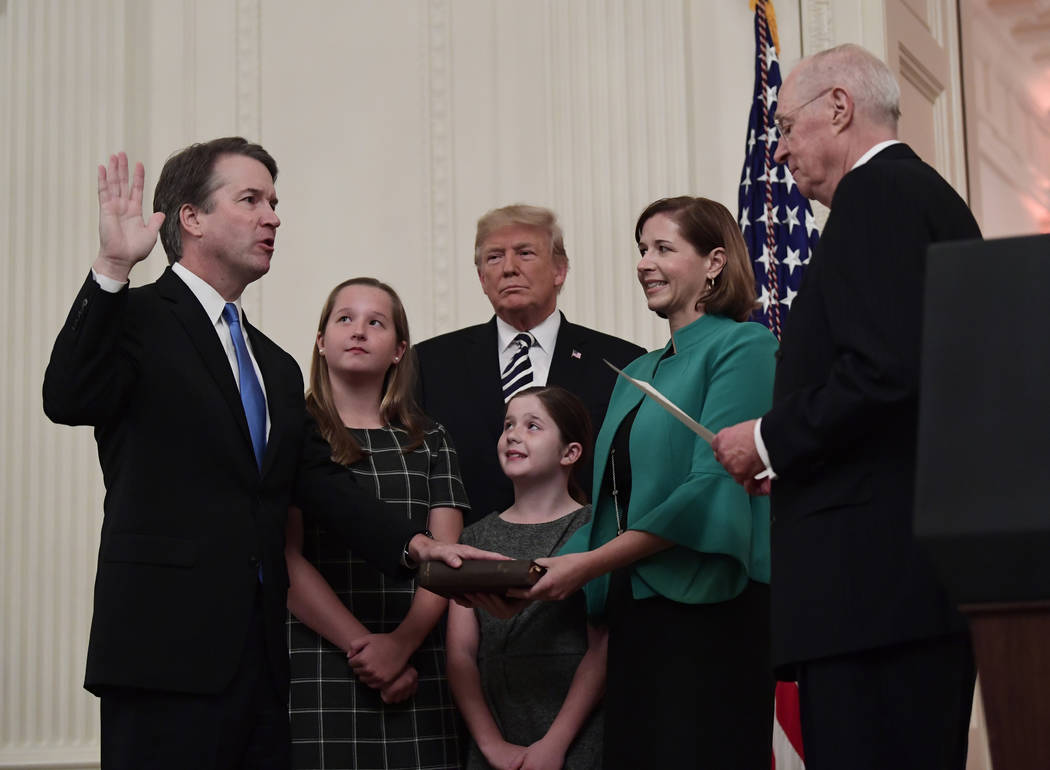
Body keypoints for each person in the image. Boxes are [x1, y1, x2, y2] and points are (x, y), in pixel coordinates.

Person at [41, 140, 493, 769]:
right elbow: (66, 397)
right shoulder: (134, 316)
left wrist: (418, 547)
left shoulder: (274, 364)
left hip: (262, 662)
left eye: (274, 202)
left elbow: (318, 481)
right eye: (250, 199)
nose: (273, 216)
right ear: (191, 218)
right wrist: (112, 267)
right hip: (161, 649)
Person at [711, 44, 981, 770]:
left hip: (873, 597)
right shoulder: (921, 195)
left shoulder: (879, 197)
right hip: (902, 587)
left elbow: (885, 370)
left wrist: (769, 440)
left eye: (788, 127)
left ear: (839, 107)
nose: (783, 151)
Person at [514, 197, 777, 768]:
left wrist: (590, 564)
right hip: (635, 618)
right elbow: (611, 507)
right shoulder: (636, 372)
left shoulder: (746, 346)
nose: (643, 263)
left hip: (712, 611)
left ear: (714, 262)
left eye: (663, 248)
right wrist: (525, 573)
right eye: (641, 250)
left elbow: (712, 487)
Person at [286, 277, 467, 769]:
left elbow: (448, 559)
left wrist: (400, 647)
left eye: (376, 322)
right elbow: (286, 558)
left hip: (417, 659)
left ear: (399, 350)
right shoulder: (289, 433)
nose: (358, 330)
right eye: (344, 318)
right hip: (319, 658)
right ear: (321, 342)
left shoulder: (431, 439)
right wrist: (363, 650)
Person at [415, 204, 645, 525]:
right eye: (494, 257)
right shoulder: (430, 363)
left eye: (525, 253)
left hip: (584, 556)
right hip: (467, 559)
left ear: (559, 270)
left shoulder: (621, 363)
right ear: (482, 278)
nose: (508, 268)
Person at [447, 386, 607, 770]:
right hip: (495, 736)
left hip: (574, 739)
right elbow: (461, 654)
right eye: (508, 425)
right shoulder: (474, 538)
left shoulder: (594, 532)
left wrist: (555, 744)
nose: (514, 435)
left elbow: (602, 650)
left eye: (533, 426)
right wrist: (491, 745)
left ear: (570, 453)